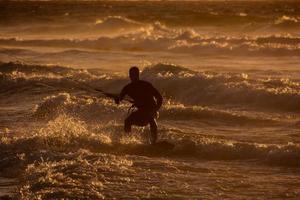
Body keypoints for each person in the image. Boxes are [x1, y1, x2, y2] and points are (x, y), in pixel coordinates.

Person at [114, 66, 163, 144]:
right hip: (141, 112)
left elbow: (159, 98)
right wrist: (117, 99)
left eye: (135, 75)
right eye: (132, 75)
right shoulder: (128, 88)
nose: (134, 77)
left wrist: (155, 109)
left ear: (138, 75)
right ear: (129, 76)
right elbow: (120, 98)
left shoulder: (146, 85)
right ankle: (128, 140)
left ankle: (154, 141)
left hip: (151, 109)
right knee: (127, 121)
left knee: (151, 118)